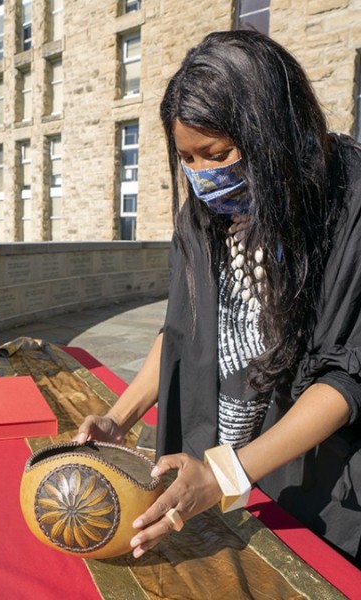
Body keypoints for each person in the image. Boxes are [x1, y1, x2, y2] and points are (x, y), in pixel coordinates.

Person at [76, 29, 361, 566]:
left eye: (218, 153)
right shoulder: (204, 212)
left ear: (272, 130)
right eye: (187, 158)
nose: (204, 177)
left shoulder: (350, 203)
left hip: (309, 480)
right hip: (210, 462)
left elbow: (347, 377)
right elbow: (182, 331)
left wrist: (231, 473)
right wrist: (120, 418)